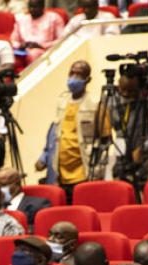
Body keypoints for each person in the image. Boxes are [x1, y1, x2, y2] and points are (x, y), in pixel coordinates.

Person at [35, 61, 100, 196]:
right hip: (60, 173)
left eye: (79, 74)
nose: (73, 78)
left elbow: (104, 140)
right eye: (72, 73)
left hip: (83, 172)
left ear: (88, 79)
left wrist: (98, 171)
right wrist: (44, 157)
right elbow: (55, 133)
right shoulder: (62, 101)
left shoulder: (95, 104)